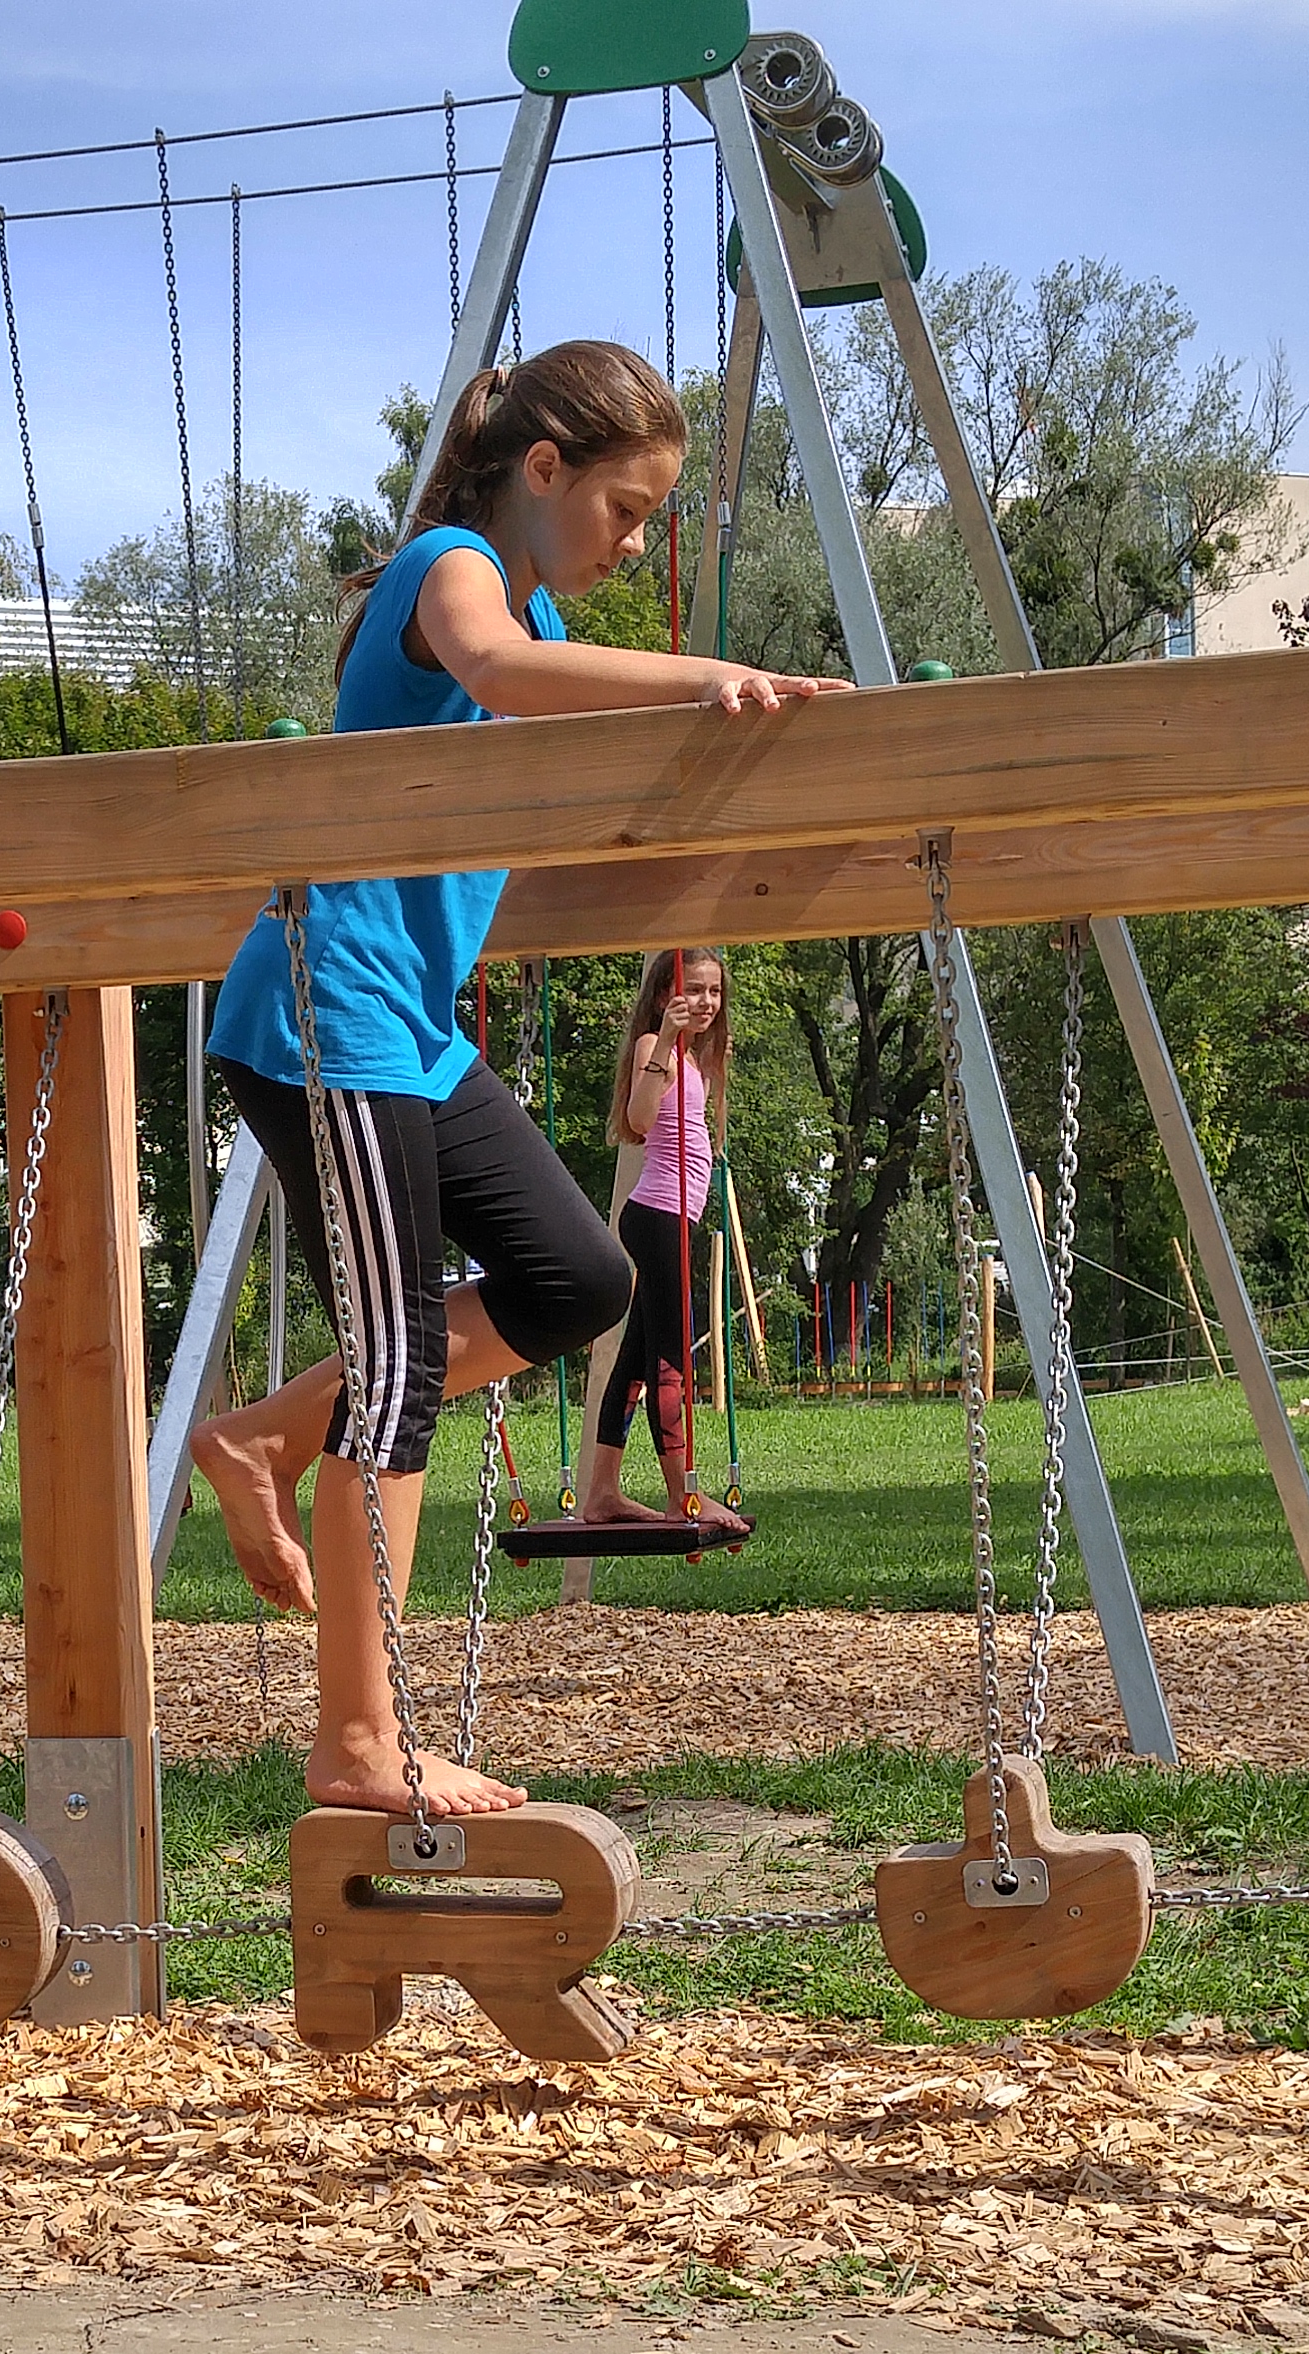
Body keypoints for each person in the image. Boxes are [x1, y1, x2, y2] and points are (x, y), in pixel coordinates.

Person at [183, 342, 846, 1816]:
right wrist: (712, 677)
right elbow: (495, 667)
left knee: (577, 1281)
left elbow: (552, 706)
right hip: (328, 1018)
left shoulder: (535, 605)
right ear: (542, 471)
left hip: (412, 1031)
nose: (631, 543)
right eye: (625, 508)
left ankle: (261, 1438)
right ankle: (358, 1745)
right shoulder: (449, 569)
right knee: (405, 1365)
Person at [553, 948, 748, 1609]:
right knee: (671, 1360)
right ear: (668, 993)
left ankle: (603, 1490)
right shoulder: (653, 1046)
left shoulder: (698, 1060)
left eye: (714, 992)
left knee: (637, 1359)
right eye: (695, 989)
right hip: (657, 1215)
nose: (707, 1001)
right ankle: (679, 1492)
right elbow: (638, 1120)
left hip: (675, 1219)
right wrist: (664, 1033)